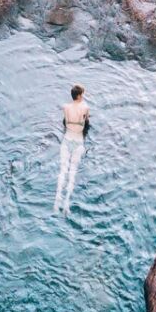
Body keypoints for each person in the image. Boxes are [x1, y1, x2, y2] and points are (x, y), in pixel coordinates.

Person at [54, 84, 90, 214]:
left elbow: (65, 122)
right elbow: (87, 123)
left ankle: (56, 201)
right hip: (78, 140)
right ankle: (67, 203)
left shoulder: (65, 107)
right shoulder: (85, 107)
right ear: (79, 95)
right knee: (72, 170)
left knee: (63, 169)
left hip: (66, 139)